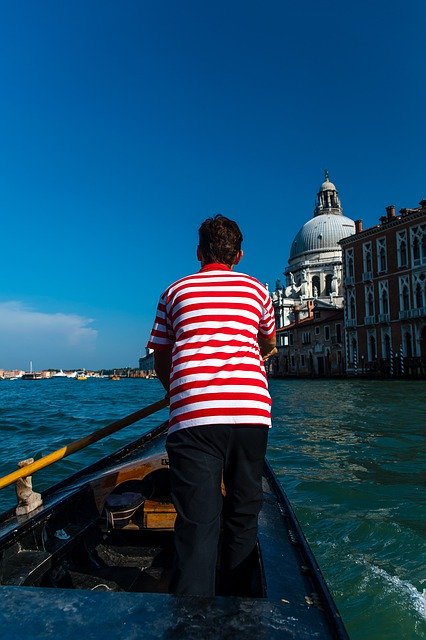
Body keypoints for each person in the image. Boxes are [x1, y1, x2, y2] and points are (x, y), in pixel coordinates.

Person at [147, 214, 276, 597]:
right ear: (238, 254)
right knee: (243, 511)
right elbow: (267, 342)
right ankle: (238, 601)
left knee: (198, 523)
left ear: (199, 252)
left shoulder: (174, 292)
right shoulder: (257, 291)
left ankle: (193, 617)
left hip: (195, 417)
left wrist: (177, 393)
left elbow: (161, 357)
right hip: (252, 414)